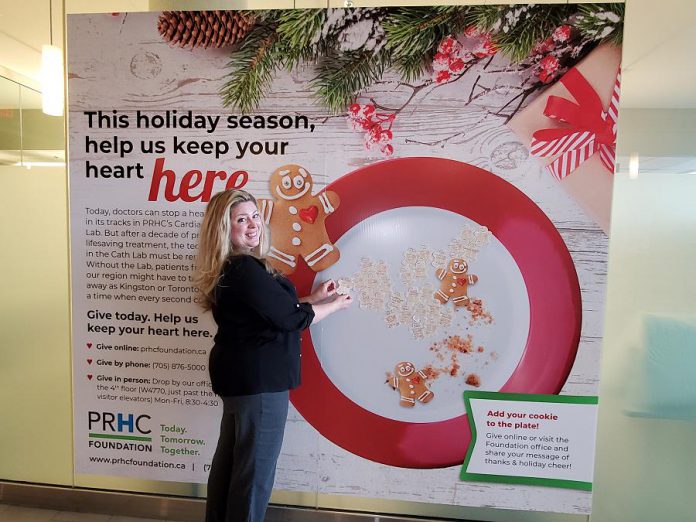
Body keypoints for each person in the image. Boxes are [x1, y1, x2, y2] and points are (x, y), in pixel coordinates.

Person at [193, 189, 352, 522]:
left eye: (254, 216)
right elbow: (289, 319)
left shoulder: (230, 267)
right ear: (224, 228)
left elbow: (270, 311)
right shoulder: (245, 269)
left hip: (241, 379)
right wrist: (334, 306)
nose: (252, 225)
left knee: (232, 465)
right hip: (260, 383)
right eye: (241, 219)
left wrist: (313, 297)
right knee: (254, 475)